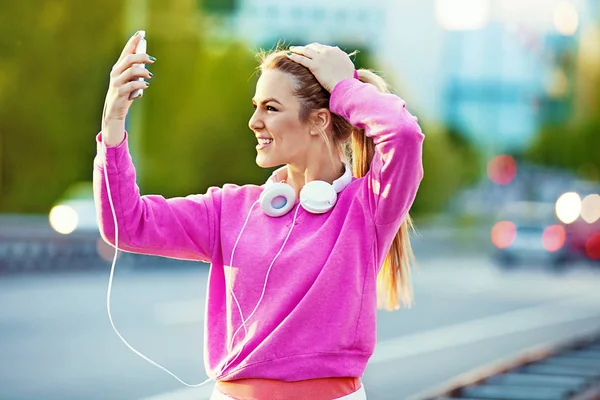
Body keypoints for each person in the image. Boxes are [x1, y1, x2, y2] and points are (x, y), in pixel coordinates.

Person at [94, 31, 424, 400]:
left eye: (270, 108)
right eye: (255, 106)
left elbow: (403, 134)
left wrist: (345, 87)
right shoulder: (229, 209)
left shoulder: (366, 209)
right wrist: (112, 123)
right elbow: (127, 225)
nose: (253, 121)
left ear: (318, 121)